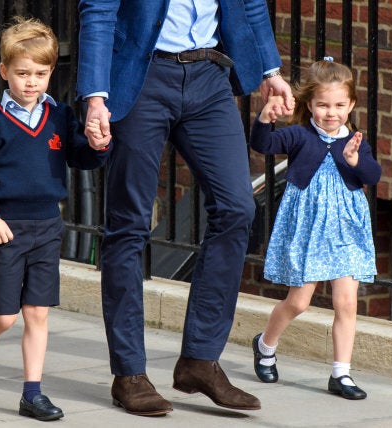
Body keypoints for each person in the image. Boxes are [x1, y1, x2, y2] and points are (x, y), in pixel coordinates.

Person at [77, 0, 294, 416]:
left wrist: (270, 70)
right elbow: (99, 11)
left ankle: (200, 359)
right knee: (129, 226)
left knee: (237, 208)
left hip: (209, 78)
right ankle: (129, 374)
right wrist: (95, 96)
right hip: (141, 77)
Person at [0, 16, 109, 421]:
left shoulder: (60, 117)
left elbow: (80, 158)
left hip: (47, 227)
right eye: (22, 73)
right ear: (4, 72)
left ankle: (32, 394)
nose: (32, 81)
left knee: (38, 313)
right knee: (5, 316)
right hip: (7, 229)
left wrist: (97, 145)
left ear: (51, 73)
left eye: (41, 73)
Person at [250, 58, 381, 400]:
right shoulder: (299, 135)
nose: (331, 112)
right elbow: (263, 145)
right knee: (299, 303)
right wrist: (265, 118)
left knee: (347, 303)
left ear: (351, 104)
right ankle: (265, 345)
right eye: (323, 105)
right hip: (308, 229)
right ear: (310, 104)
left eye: (339, 105)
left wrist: (355, 161)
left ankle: (342, 374)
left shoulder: (354, 141)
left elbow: (372, 175)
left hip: (346, 231)